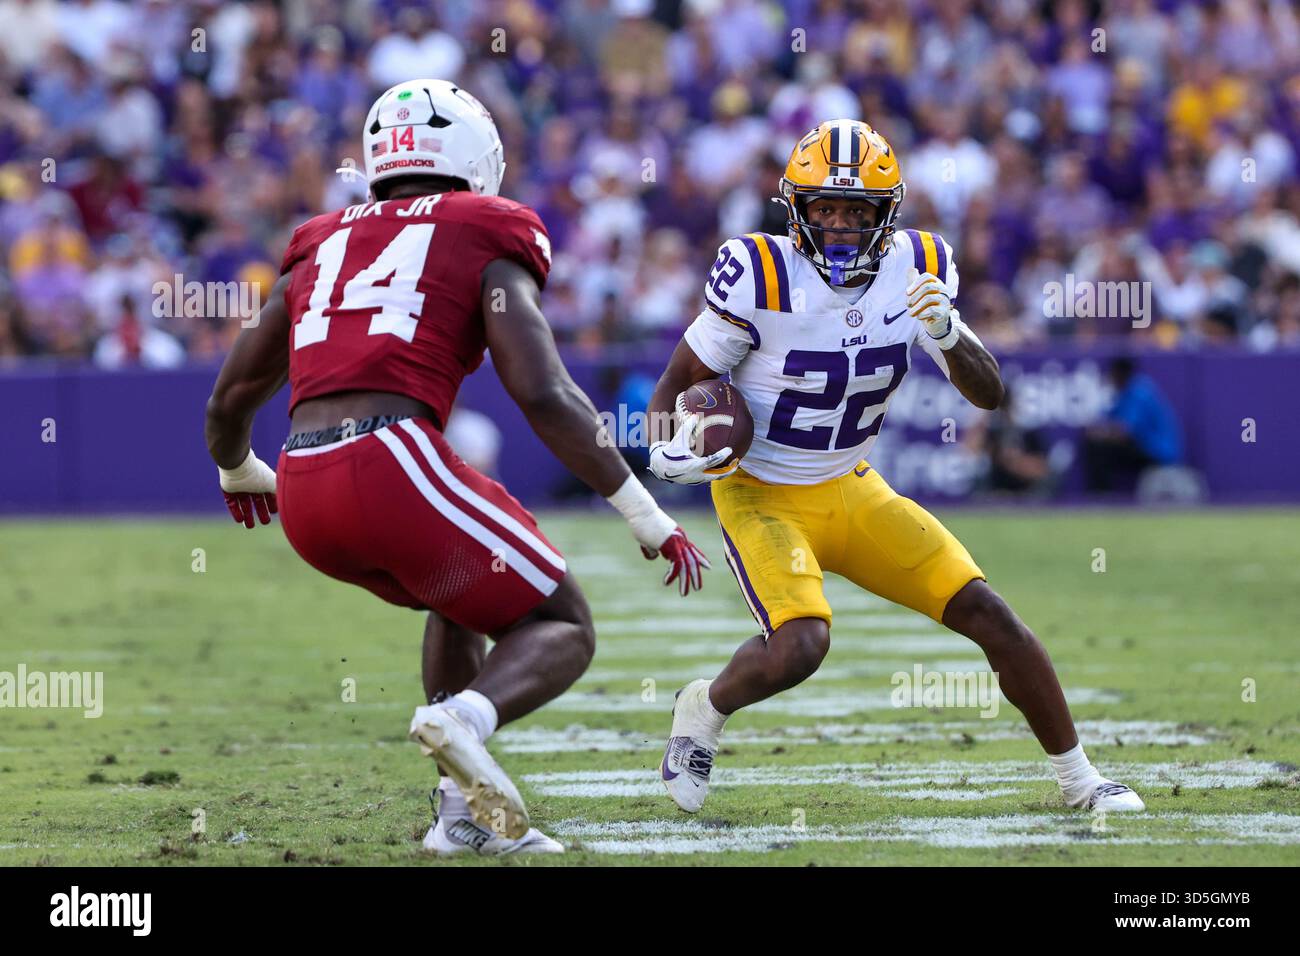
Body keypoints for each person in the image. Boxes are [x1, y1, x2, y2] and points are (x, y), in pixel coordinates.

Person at [204, 80, 711, 856]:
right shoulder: (485, 226)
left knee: (464, 593)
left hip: (302, 481)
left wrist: (238, 468)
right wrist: (646, 511)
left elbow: (231, 396)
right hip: (389, 456)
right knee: (563, 623)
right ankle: (461, 722)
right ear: (478, 158)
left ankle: (460, 817)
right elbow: (542, 391)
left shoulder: (321, 237)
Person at [647, 119, 1145, 817]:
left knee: (989, 614)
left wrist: (947, 332)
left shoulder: (922, 266)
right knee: (801, 644)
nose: (841, 225)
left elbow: (989, 394)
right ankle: (704, 706)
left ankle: (1080, 779)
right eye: (826, 208)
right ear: (796, 208)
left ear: (889, 214)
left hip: (852, 485)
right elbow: (678, 381)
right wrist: (665, 445)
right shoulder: (758, 272)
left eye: (858, 211)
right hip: (761, 492)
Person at [1083, 356, 1184, 493]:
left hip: (1158, 453)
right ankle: (1100, 495)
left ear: (1120, 373)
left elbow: (1125, 432)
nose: (1111, 378)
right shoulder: (1124, 393)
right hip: (1142, 448)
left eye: (1112, 374)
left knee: (1099, 448)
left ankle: (1102, 497)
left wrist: (1100, 433)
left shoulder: (1140, 392)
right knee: (1095, 445)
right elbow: (1108, 418)